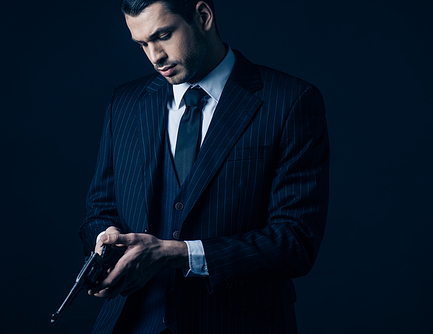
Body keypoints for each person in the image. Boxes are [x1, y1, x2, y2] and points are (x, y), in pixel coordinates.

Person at [78, 0, 330, 333]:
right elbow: (100, 208)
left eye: (163, 35)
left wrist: (179, 253)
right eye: (142, 44)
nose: (155, 56)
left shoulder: (289, 101)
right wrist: (105, 239)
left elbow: (295, 242)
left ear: (203, 16)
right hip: (132, 322)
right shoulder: (124, 104)